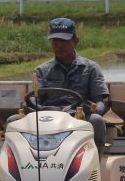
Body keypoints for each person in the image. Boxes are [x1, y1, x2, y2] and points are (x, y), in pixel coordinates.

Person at [32, 17, 109, 147]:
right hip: (49, 116)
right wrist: (36, 108)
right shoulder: (41, 71)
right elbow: (35, 98)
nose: (59, 45)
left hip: (79, 117)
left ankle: (95, 161)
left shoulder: (91, 68)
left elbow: (100, 101)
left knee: (97, 120)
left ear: (75, 41)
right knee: (14, 120)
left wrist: (92, 110)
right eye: (55, 41)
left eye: (64, 40)